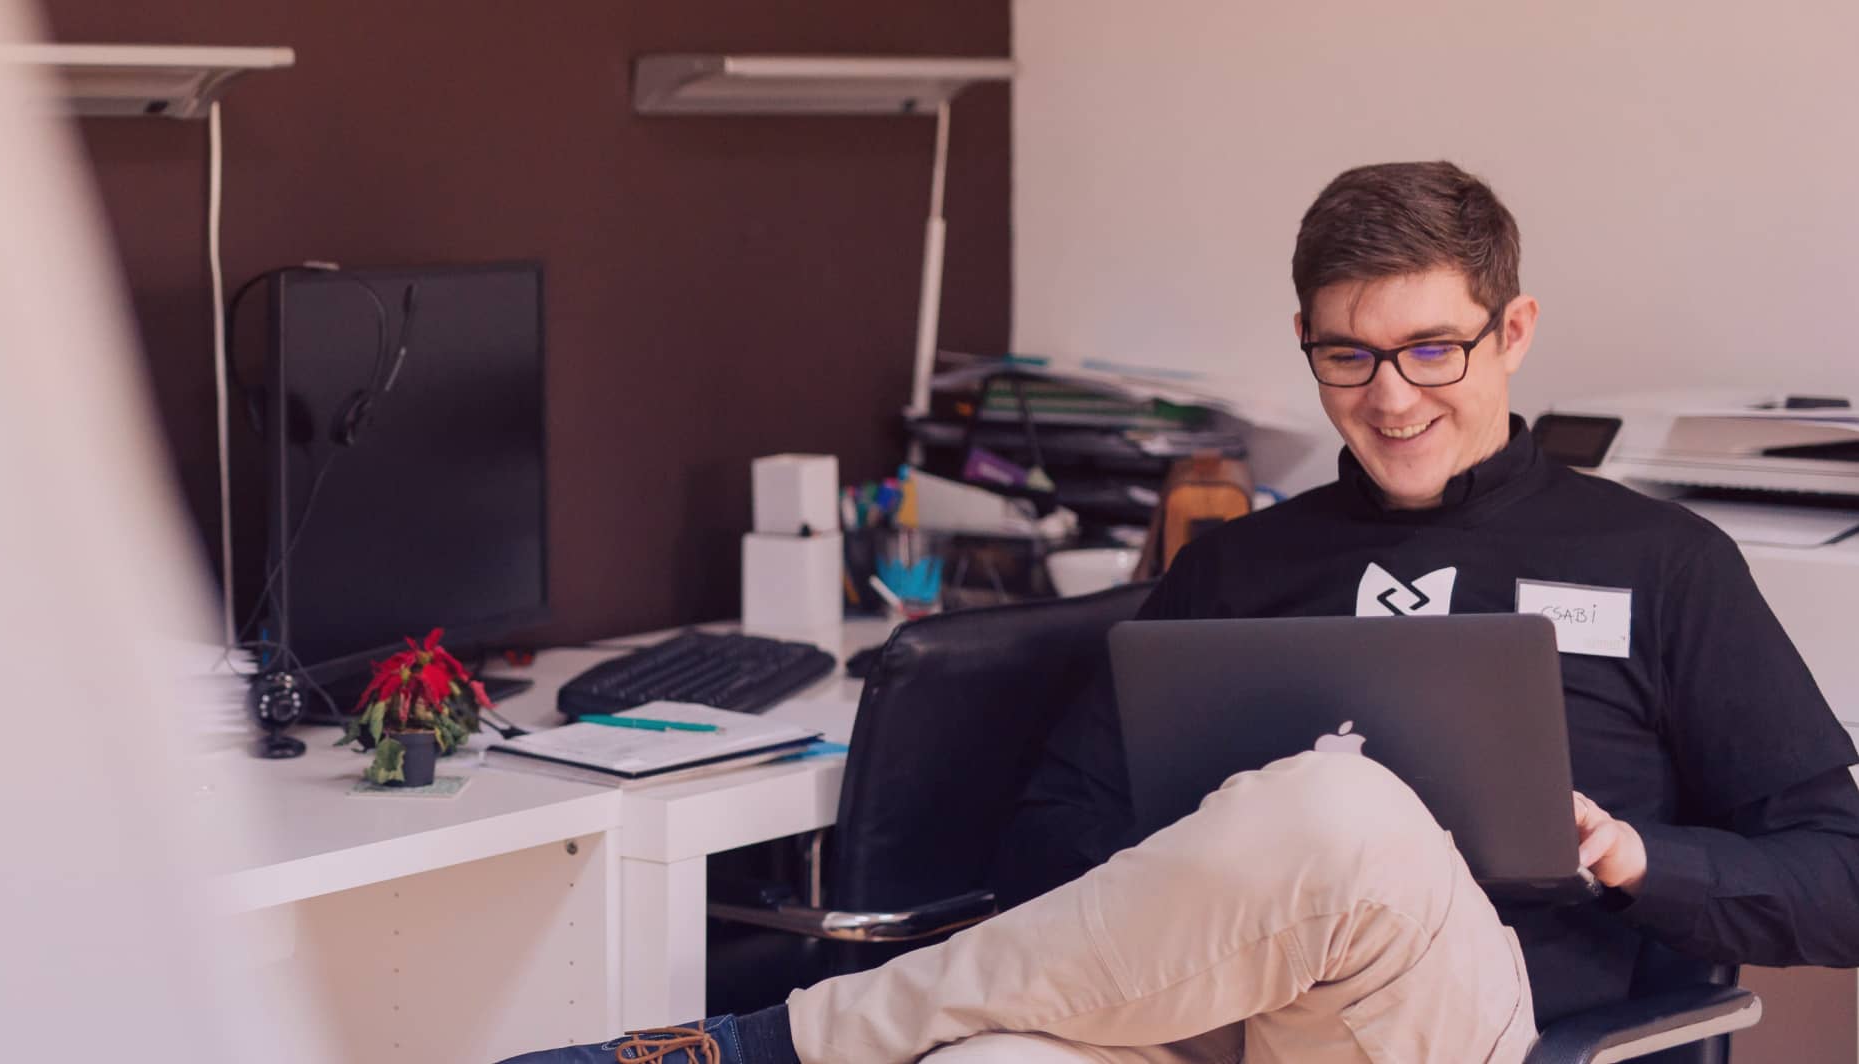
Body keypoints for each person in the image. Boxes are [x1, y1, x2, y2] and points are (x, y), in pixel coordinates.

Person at [500, 161, 1859, 1064]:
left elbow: (1841, 880)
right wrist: (1218, 846)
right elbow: (1052, 838)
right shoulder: (1242, 564)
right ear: (1307, 347)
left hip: (1488, 1028)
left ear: (1512, 333)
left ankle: (767, 1045)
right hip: (1209, 1023)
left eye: (1432, 348)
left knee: (1348, 810)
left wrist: (1633, 860)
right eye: (1348, 355)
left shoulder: (1660, 559)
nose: (1391, 397)